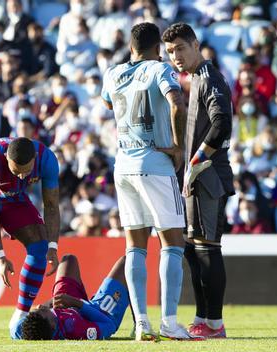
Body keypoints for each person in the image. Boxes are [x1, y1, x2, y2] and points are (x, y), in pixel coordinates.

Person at [100, 22, 196, 341]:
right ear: (158, 49)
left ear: (131, 48)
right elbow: (177, 102)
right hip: (155, 162)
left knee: (135, 247)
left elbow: (108, 103)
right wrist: (179, 146)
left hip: (123, 164)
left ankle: (141, 322)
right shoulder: (159, 69)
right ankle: (168, 320)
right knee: (172, 242)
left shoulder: (113, 73)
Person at [163, 23, 235, 339]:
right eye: (170, 51)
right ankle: (202, 318)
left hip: (209, 176)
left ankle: (215, 325)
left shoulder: (210, 78)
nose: (176, 56)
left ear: (195, 44)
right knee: (193, 250)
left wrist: (197, 159)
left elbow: (222, 125)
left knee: (207, 249)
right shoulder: (195, 79)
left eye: (180, 48)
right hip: (196, 177)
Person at [0, 137, 60, 340]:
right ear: (6, 158)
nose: (23, 175)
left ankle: (21, 315)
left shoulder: (47, 159)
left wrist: (53, 245)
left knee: (40, 247)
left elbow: (51, 205)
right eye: (17, 171)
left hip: (13, 196)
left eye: (27, 171)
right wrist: (0, 256)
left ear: (35, 158)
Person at [15, 254, 130, 340]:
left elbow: (15, 329)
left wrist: (52, 302)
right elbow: (109, 326)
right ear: (53, 324)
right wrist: (77, 303)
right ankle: (139, 321)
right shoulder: (76, 329)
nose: (41, 306)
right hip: (99, 313)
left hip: (68, 305)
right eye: (43, 310)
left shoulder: (28, 329)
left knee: (68, 259)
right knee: (127, 262)